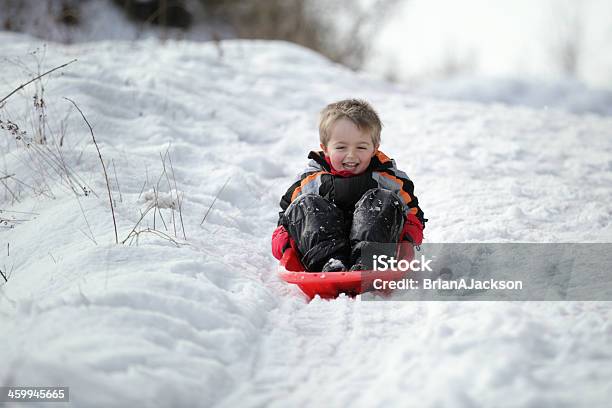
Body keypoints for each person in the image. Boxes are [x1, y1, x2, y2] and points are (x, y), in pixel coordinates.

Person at [271, 99, 426, 272]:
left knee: (383, 199)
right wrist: (285, 244)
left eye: (361, 147)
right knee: (304, 203)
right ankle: (330, 263)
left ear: (374, 148)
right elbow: (287, 218)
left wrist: (408, 240)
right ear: (326, 148)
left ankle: (368, 261)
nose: (351, 156)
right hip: (322, 250)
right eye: (341, 147)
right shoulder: (311, 180)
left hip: (375, 247)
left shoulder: (389, 178)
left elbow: (413, 214)